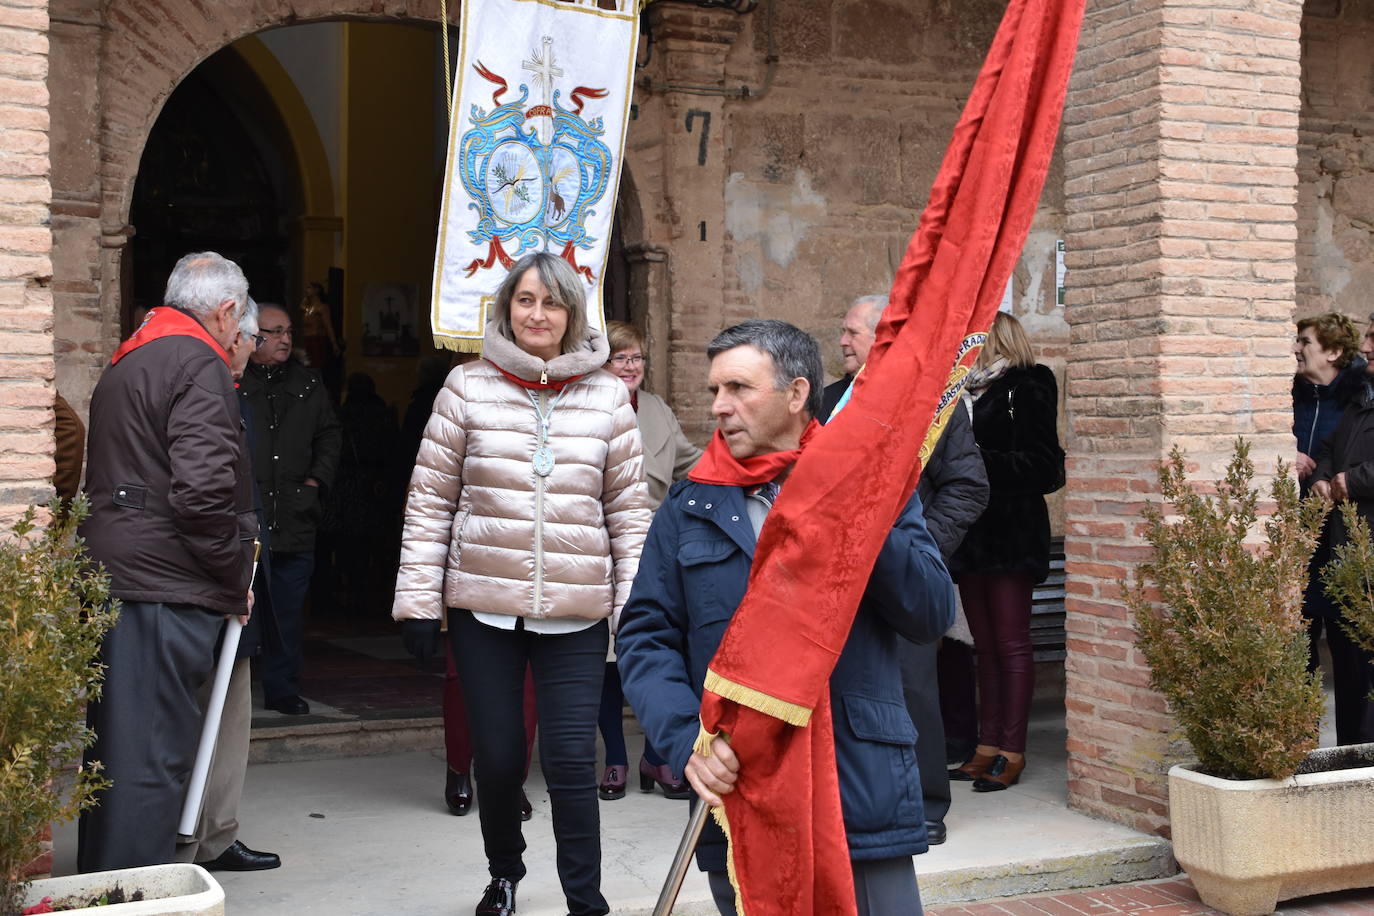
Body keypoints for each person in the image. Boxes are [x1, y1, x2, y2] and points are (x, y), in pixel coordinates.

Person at [617, 319, 955, 916]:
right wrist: (684, 743)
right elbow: (647, 639)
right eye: (715, 390)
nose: (720, 406)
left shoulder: (871, 486)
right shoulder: (688, 505)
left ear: (796, 394)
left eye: (739, 388)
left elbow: (929, 611)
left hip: (858, 781)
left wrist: (858, 509)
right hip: (741, 789)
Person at [393, 252, 650, 916]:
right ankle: (504, 871)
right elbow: (430, 500)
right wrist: (420, 603)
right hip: (486, 610)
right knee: (500, 759)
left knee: (569, 761)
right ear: (507, 308)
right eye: (526, 301)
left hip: (576, 612)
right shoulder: (466, 387)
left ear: (573, 316)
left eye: (553, 303)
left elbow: (628, 513)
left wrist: (637, 614)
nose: (539, 315)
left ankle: (585, 900)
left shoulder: (606, 396)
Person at [77, 251, 258, 872]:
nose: (239, 338)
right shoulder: (198, 361)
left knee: (119, 756)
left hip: (125, 573)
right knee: (150, 761)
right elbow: (203, 495)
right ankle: (131, 898)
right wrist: (233, 576)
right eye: (239, 324)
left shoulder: (133, 357)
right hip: (163, 582)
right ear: (226, 310)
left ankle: (105, 891)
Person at [823, 295, 988, 845]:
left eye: (852, 332)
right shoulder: (826, 403)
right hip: (834, 579)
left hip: (903, 578)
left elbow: (969, 487)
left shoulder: (931, 408)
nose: (842, 341)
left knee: (913, 689)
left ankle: (926, 805)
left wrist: (922, 554)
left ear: (885, 338)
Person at [175, 302, 281, 872]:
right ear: (230, 331)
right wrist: (230, 574)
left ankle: (217, 833)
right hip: (209, 575)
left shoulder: (233, 391)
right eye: (251, 336)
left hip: (236, 564)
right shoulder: (202, 385)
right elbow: (199, 496)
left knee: (231, 706)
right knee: (200, 711)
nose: (252, 347)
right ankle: (189, 839)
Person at [948, 312, 1064, 792]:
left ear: (994, 338)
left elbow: (1043, 466)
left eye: (972, 337)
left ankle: (1011, 751)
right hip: (971, 536)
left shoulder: (1029, 383)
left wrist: (972, 461)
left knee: (1012, 644)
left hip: (1012, 533)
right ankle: (985, 746)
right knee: (985, 647)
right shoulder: (962, 390)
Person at [596, 320, 702, 800]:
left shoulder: (657, 409)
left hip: (655, 549)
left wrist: (745, 464)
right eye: (621, 358)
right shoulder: (586, 405)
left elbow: (688, 463)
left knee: (660, 650)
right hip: (601, 545)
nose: (631, 366)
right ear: (602, 363)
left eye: (637, 357)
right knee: (610, 661)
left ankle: (658, 758)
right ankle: (616, 758)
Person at [239, 303, 342, 716]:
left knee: (286, 610)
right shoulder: (233, 381)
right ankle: (232, 693)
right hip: (248, 517)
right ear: (253, 335)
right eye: (274, 332)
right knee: (240, 607)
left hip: (296, 515)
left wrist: (315, 482)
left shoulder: (308, 384)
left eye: (289, 332)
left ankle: (282, 688)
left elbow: (330, 435)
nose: (285, 340)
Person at [1307, 313, 1374, 745]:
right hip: (1347, 553)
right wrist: (1323, 476)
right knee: (1350, 665)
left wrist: (1356, 480)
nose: (1366, 347)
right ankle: (1353, 755)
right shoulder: (1361, 398)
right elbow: (1331, 447)